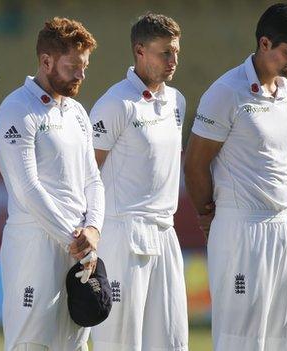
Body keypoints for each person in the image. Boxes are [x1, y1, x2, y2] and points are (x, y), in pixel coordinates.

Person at [184, 4, 287, 350]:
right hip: (241, 228)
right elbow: (195, 164)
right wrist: (210, 216)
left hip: (284, 227)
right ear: (265, 43)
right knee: (241, 340)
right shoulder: (227, 91)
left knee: (285, 338)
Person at [0, 17, 104, 351]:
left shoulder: (77, 113)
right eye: (73, 66)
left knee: (75, 343)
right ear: (46, 61)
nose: (81, 75)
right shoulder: (17, 109)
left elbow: (93, 179)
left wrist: (94, 229)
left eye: (84, 66)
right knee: (33, 343)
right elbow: (28, 190)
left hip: (78, 246)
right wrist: (76, 240)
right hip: (35, 246)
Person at [89, 13, 188, 351]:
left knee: (172, 341)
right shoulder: (115, 104)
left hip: (165, 232)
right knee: (119, 342)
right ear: (140, 51)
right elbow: (87, 174)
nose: (173, 60)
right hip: (122, 234)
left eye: (176, 52)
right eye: (165, 53)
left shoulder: (177, 101)